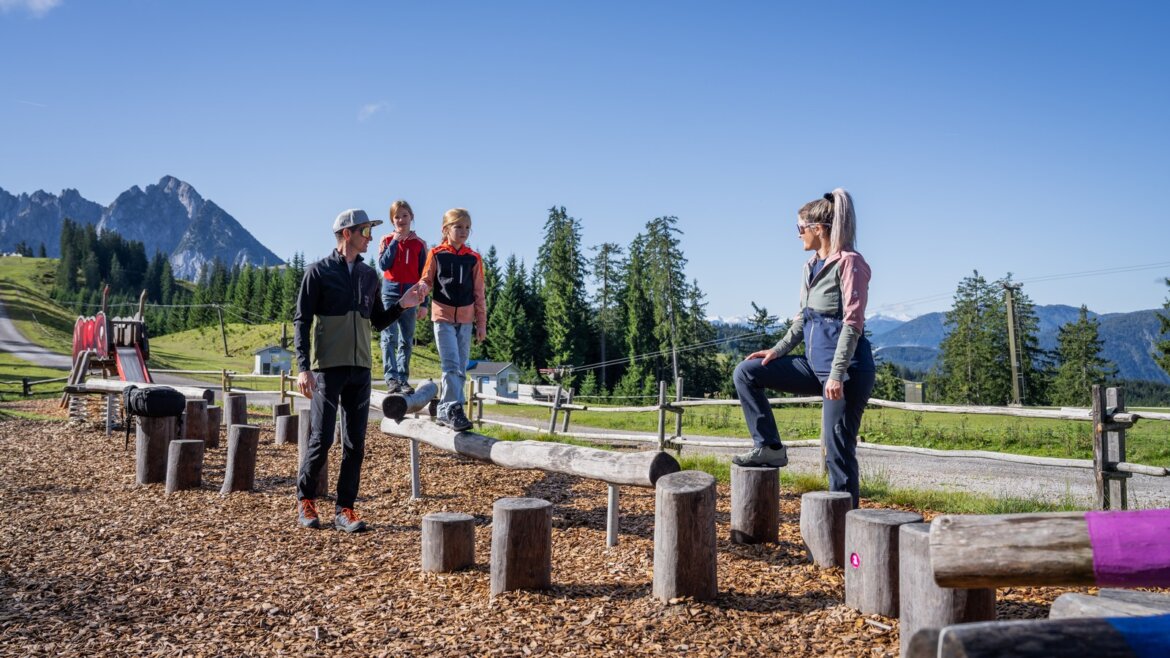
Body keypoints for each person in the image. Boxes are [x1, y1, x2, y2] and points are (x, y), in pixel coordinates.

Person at [732, 188, 875, 508]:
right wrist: (777, 351)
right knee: (747, 372)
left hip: (846, 372)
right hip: (813, 366)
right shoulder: (809, 266)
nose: (797, 235)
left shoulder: (850, 263)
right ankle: (769, 448)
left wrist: (836, 374)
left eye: (800, 228)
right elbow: (803, 319)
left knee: (837, 451)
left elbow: (853, 323)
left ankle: (844, 526)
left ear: (818, 229)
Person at [293, 208, 427, 531]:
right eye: (365, 231)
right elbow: (302, 321)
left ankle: (345, 509)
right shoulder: (318, 272)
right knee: (322, 439)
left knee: (355, 444)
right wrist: (303, 367)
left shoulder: (369, 276)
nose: (370, 237)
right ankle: (306, 499)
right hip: (327, 369)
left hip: (361, 369)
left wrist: (403, 304)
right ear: (347, 234)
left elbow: (378, 321)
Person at [418, 208, 486, 432]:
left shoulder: (473, 258)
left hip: (465, 320)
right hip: (443, 317)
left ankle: (447, 410)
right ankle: (453, 408)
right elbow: (427, 280)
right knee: (451, 365)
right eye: (458, 226)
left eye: (467, 227)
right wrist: (421, 291)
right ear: (446, 229)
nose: (463, 231)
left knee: (461, 367)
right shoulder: (436, 253)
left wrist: (481, 324)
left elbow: (479, 293)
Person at [377, 199, 428, 394]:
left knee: (406, 340)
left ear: (411, 217)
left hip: (411, 296)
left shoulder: (419, 244)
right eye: (397, 216)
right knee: (389, 337)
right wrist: (395, 242)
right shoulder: (386, 240)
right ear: (392, 220)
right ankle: (391, 379)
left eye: (404, 215)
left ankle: (403, 379)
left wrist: (424, 303)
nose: (401, 220)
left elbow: (424, 276)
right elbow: (383, 265)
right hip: (389, 295)